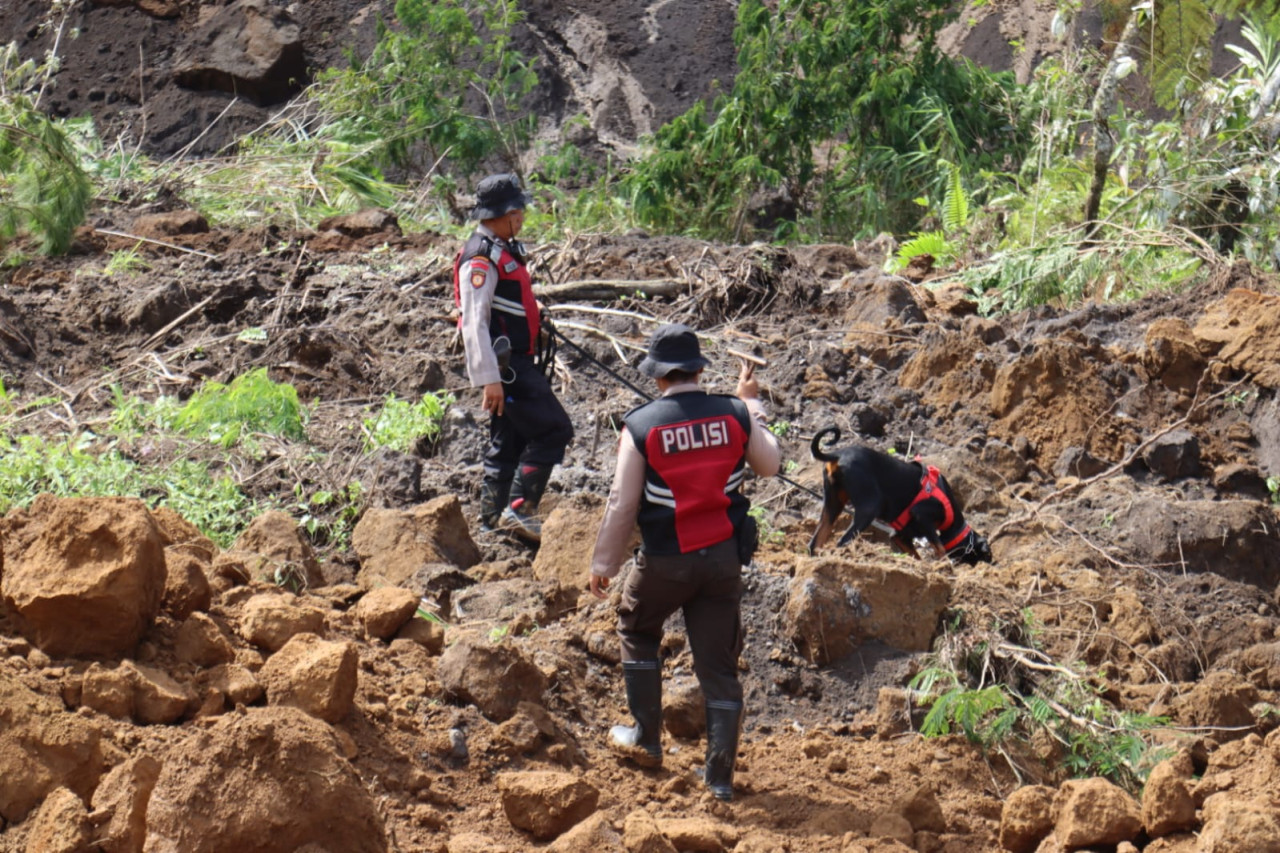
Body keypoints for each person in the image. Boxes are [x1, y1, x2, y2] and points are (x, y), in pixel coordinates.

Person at [588, 323, 781, 802]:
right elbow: (771, 464)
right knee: (718, 666)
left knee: (637, 630)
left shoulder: (641, 426)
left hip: (665, 560)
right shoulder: (734, 414)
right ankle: (718, 777)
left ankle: (646, 739)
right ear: (698, 370)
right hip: (721, 561)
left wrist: (605, 564)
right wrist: (751, 404)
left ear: (658, 378)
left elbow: (621, 502)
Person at [453, 172, 573, 541]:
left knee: (508, 443)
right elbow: (474, 321)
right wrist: (489, 378)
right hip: (507, 369)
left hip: (514, 363)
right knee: (555, 429)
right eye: (519, 210)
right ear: (504, 213)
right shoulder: (481, 257)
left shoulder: (500, 248)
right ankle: (519, 510)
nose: (523, 217)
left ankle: (491, 526)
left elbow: (503, 304)